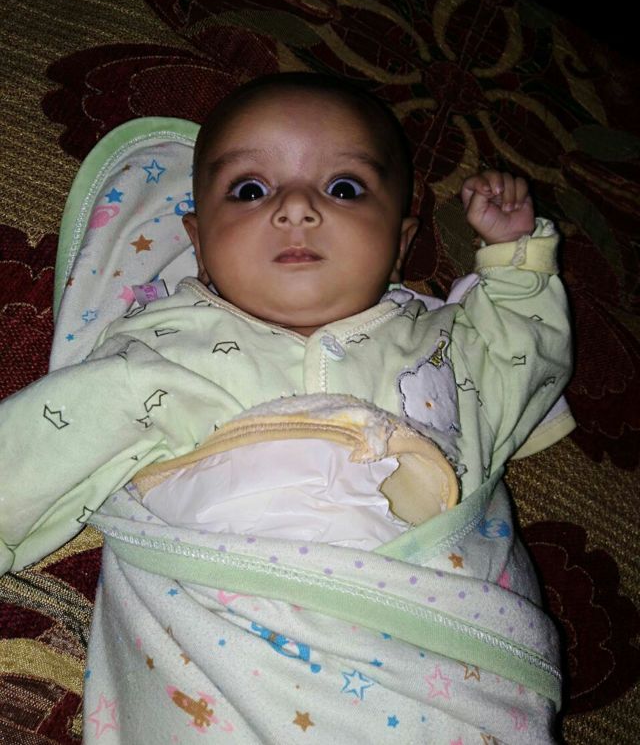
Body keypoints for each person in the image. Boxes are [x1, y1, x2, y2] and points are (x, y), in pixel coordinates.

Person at [0, 72, 572, 573]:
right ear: (200, 246)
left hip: (449, 620)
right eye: (250, 190)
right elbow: (41, 447)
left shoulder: (442, 344)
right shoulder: (167, 347)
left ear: (399, 247)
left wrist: (517, 261)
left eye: (343, 188)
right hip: (237, 618)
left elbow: (524, 360)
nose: (296, 207)